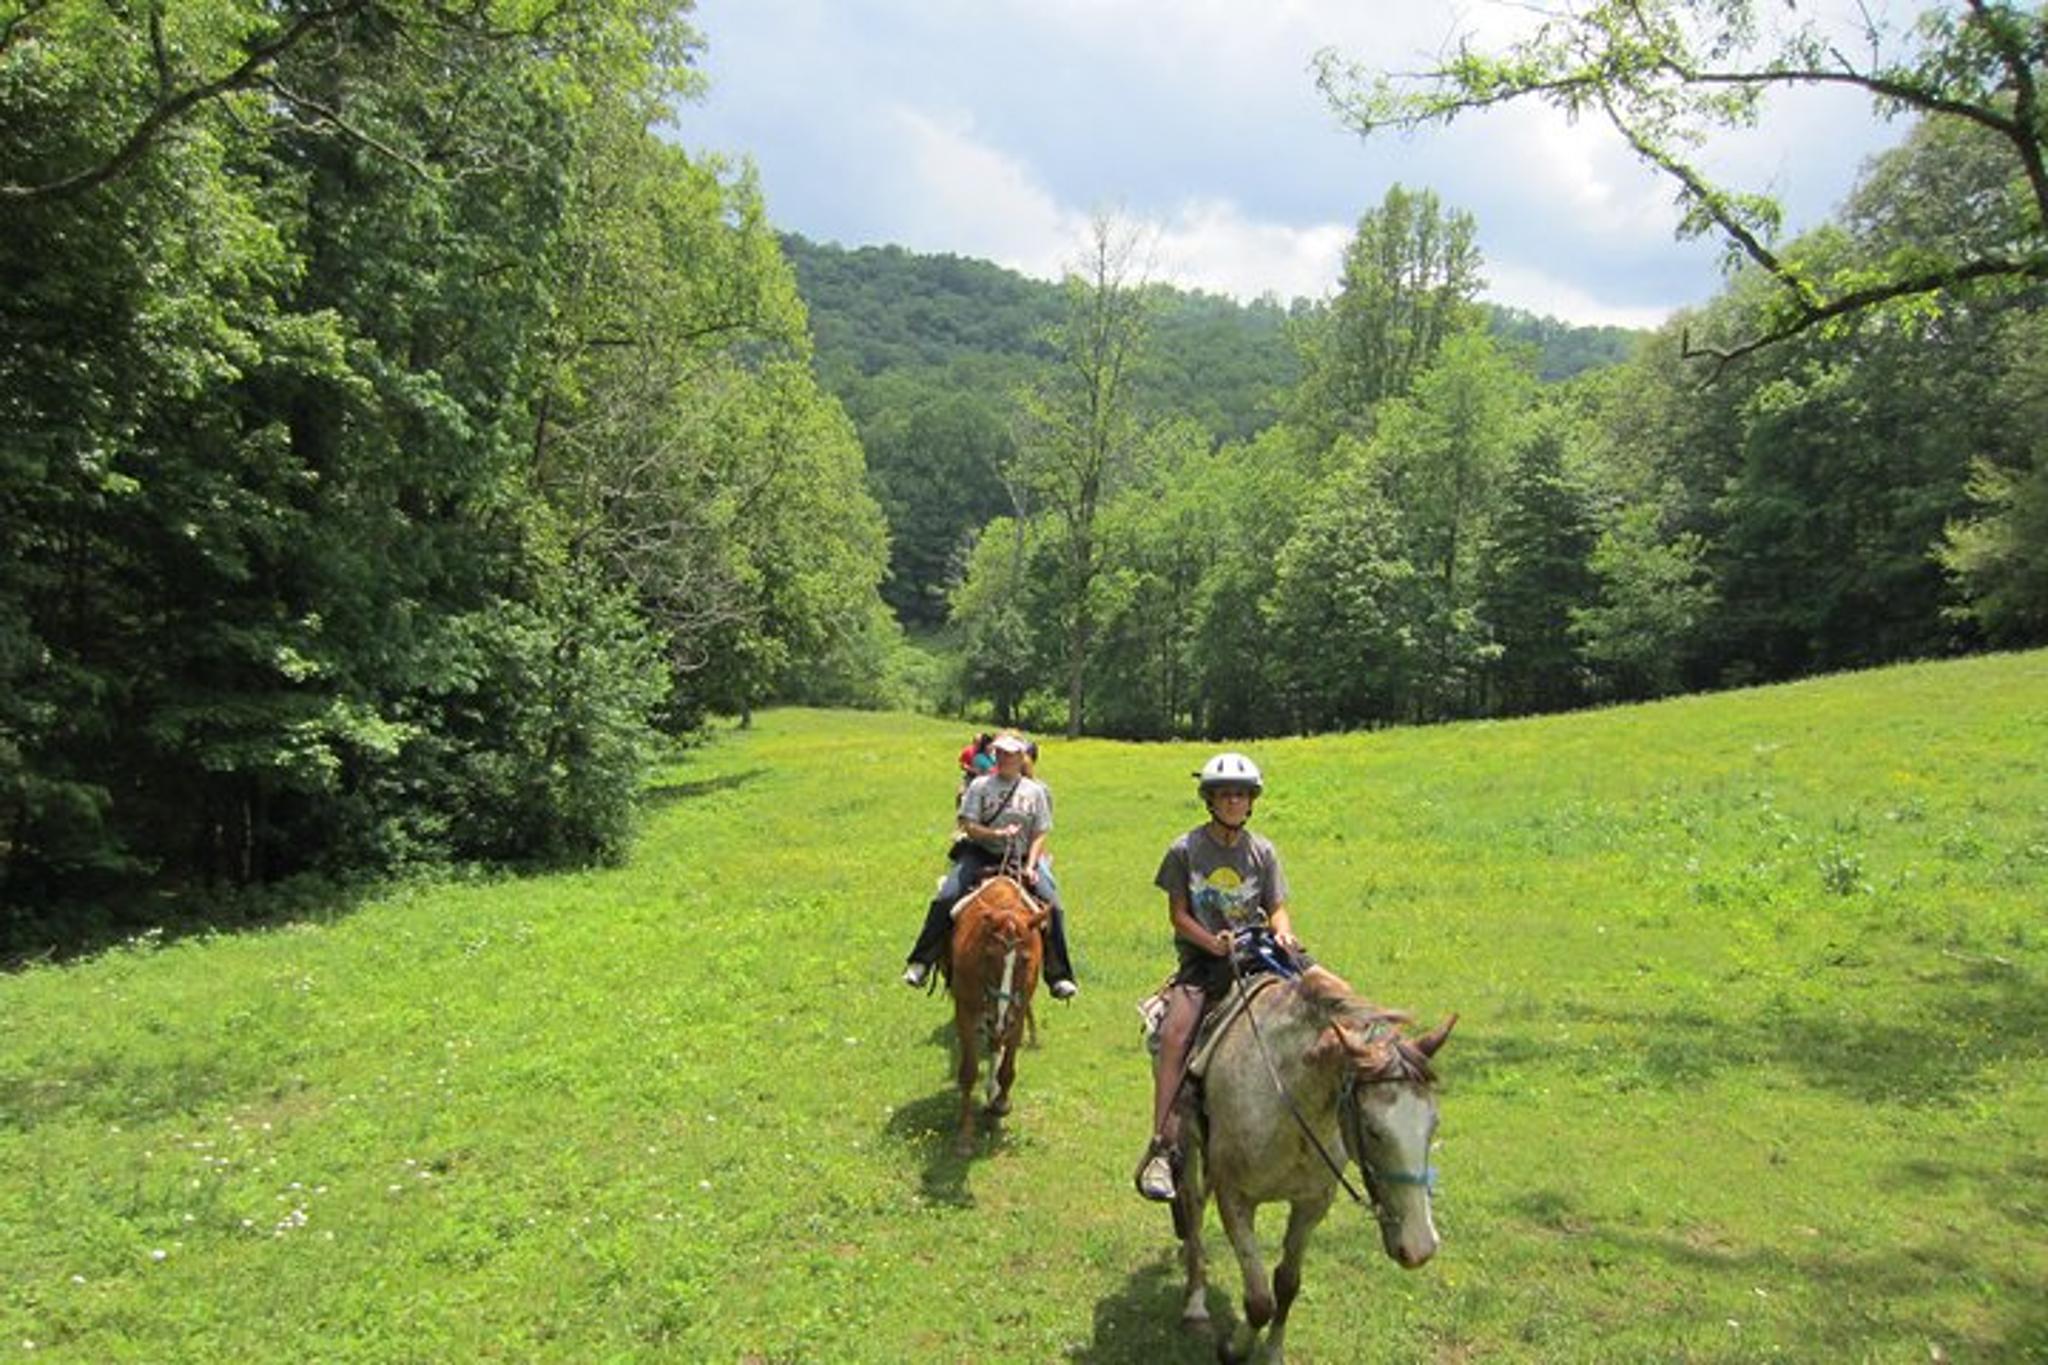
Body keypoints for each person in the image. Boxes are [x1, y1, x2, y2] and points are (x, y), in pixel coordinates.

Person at [1134, 751, 1330, 1202]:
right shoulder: (1184, 850)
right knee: (1173, 1037)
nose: (1234, 802)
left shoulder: (1262, 851)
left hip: (1261, 951)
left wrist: (1283, 932)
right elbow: (1179, 916)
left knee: (1329, 995)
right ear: (1210, 799)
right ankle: (1163, 1147)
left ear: (1252, 800)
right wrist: (1212, 943)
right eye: (1225, 795)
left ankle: (1356, 1106)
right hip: (1205, 962)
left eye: (1241, 795)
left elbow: (1277, 905)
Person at [904, 731, 1080, 998]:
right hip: (980, 853)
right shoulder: (980, 786)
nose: (1004, 758)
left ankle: (1059, 976)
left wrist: (1031, 866)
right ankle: (921, 961)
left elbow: (1040, 832)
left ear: (1021, 757)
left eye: (1010, 754)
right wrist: (995, 835)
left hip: (1021, 858)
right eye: (1000, 753)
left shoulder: (1035, 792)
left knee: (1054, 907)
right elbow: (968, 825)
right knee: (946, 897)